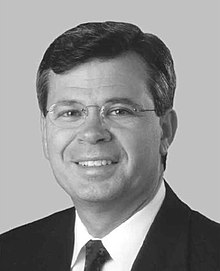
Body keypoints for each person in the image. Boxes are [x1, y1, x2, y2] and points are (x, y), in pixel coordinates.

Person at [0, 21, 219, 271]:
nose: (92, 133)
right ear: (44, 133)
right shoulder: (9, 253)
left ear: (165, 131)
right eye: (70, 113)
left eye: (118, 111)